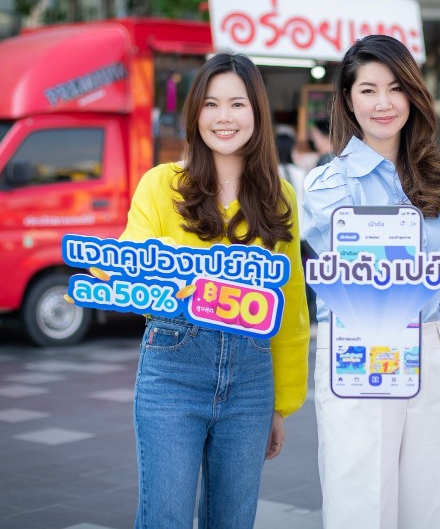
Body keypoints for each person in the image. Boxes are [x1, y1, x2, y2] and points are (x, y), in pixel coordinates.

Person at [120, 53, 310, 529]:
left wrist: (280, 404)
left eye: (237, 104)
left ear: (257, 114)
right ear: (195, 114)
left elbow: (290, 307)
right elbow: (126, 268)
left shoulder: (280, 197)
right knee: (164, 518)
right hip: (174, 369)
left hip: (251, 379)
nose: (224, 117)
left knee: (233, 521)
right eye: (211, 105)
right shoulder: (162, 185)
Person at [302, 34, 440, 528]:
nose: (383, 103)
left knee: (429, 505)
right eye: (368, 90)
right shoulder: (328, 185)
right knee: (362, 507)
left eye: (395, 88)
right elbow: (360, 270)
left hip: (429, 343)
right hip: (360, 344)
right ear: (349, 101)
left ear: (413, 95)